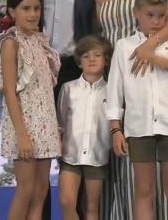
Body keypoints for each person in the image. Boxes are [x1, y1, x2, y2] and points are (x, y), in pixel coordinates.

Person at [94, 0, 168, 220]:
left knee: (148, 169)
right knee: (119, 155)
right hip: (115, 81)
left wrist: (148, 46)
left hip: (146, 76)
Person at [106, 0, 168, 220]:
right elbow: (114, 92)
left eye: (161, 16)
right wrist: (116, 129)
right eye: (150, 15)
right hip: (139, 128)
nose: (156, 21)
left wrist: (166, 64)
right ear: (137, 12)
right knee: (143, 191)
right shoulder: (124, 47)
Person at [33, 0, 98, 220]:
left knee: (78, 157)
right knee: (41, 161)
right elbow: (3, 20)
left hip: (78, 73)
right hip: (38, 75)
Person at [0, 0, 61, 220]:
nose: (33, 14)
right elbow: (9, 92)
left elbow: (44, 90)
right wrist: (22, 134)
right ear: (12, 12)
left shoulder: (40, 41)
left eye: (36, 8)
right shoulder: (10, 43)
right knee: (25, 190)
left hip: (45, 125)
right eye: (26, 8)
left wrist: (54, 128)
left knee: (41, 190)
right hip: (23, 126)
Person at [57, 35, 113, 220]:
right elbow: (61, 121)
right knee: (66, 202)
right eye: (86, 55)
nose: (92, 59)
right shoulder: (68, 89)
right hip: (70, 156)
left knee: (91, 207)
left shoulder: (112, 91)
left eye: (97, 55)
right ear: (79, 62)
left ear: (105, 61)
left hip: (97, 158)